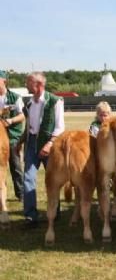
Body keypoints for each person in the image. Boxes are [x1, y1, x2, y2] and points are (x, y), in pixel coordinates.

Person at [23, 72, 65, 228]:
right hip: (32, 143)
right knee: (28, 178)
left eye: (28, 82)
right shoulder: (29, 104)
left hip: (50, 144)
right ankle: (30, 216)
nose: (26, 85)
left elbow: (60, 127)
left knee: (53, 179)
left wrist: (49, 144)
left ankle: (55, 211)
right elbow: (29, 127)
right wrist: (22, 142)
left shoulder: (55, 101)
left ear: (38, 85)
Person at [0, 70, 25, 201]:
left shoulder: (15, 97)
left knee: (15, 166)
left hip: (13, 136)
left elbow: (22, 115)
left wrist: (10, 120)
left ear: (4, 81)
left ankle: (20, 194)